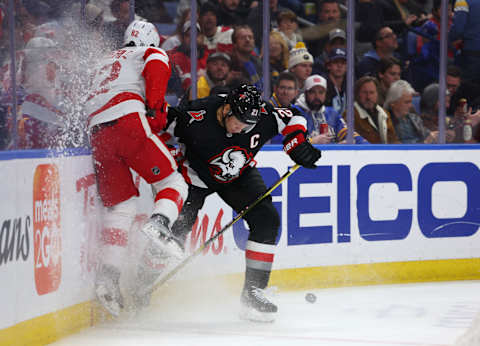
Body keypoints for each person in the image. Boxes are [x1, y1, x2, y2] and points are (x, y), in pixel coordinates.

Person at [165, 84, 321, 322]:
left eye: (248, 125)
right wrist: (167, 152)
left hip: (239, 175)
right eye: (238, 121)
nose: (242, 128)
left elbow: (295, 116)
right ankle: (139, 285)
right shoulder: (196, 114)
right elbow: (159, 125)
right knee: (171, 237)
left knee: (267, 219)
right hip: (194, 178)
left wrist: (296, 141)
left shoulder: (263, 116)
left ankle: (253, 292)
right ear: (226, 109)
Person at [84, 20, 189, 317]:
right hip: (127, 121)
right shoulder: (147, 52)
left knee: (122, 207)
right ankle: (160, 223)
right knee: (174, 182)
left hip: (98, 134)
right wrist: (155, 109)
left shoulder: (103, 60)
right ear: (148, 39)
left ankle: (108, 277)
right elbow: (157, 63)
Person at [294, 74, 368, 144]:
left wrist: (353, 142)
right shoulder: (295, 112)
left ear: (326, 94)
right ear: (305, 93)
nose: (317, 96)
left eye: (321, 92)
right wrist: (312, 141)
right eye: (312, 92)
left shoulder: (332, 113)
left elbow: (349, 133)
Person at [347, 76, 399, 144]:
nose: (368, 97)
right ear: (358, 94)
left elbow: (393, 140)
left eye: (372, 92)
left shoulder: (385, 114)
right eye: (365, 92)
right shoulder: (350, 115)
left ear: (377, 94)